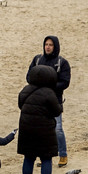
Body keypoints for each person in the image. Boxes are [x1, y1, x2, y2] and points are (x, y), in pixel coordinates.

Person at [17, 64, 62, 174]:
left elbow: (20, 105)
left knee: (28, 158)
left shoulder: (25, 90)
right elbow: (57, 111)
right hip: (45, 130)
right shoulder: (49, 93)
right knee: (46, 158)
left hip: (26, 129)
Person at [28, 36, 71, 167]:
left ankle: (62, 155)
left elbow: (65, 82)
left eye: (51, 45)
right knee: (42, 130)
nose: (48, 47)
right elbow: (29, 76)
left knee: (57, 129)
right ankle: (44, 156)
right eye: (46, 44)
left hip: (55, 101)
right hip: (39, 101)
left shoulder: (62, 63)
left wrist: (47, 86)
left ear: (55, 46)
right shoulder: (37, 60)